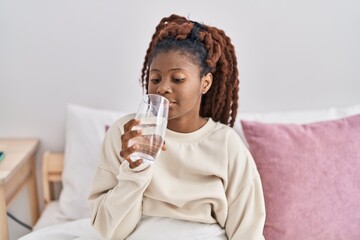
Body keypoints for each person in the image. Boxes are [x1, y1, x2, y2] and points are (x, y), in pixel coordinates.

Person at [89, 14, 266, 240]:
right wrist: (134, 171)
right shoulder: (127, 134)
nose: (163, 87)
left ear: (205, 83)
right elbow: (109, 232)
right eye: (155, 79)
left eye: (178, 79)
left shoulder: (226, 145)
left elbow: (247, 232)